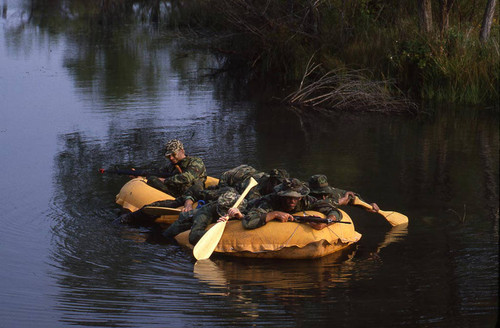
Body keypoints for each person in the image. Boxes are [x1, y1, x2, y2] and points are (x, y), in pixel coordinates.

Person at [114, 139, 206, 224]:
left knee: (153, 206)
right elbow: (157, 172)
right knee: (152, 179)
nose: (171, 158)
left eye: (173, 154)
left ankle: (126, 219)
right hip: (175, 194)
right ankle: (125, 219)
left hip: (190, 195)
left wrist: (165, 180)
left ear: (182, 151)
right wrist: (140, 174)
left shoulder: (195, 162)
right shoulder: (171, 166)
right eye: (168, 156)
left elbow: (186, 177)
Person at [242, 178, 343, 231]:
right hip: (248, 204)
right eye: (288, 197)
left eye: (295, 198)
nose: (292, 201)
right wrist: (274, 214)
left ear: (300, 197)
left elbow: (334, 211)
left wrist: (326, 223)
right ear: (282, 196)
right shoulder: (270, 202)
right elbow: (248, 221)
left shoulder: (307, 200)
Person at [162, 189, 247, 245]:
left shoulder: (240, 203)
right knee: (165, 238)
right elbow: (193, 237)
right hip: (187, 220)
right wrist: (216, 231)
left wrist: (241, 216)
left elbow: (252, 216)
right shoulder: (206, 213)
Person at [308, 174, 379, 212]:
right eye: (319, 195)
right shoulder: (301, 194)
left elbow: (350, 196)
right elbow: (317, 204)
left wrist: (366, 206)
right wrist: (339, 201)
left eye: (325, 194)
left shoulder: (332, 192)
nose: (324, 197)